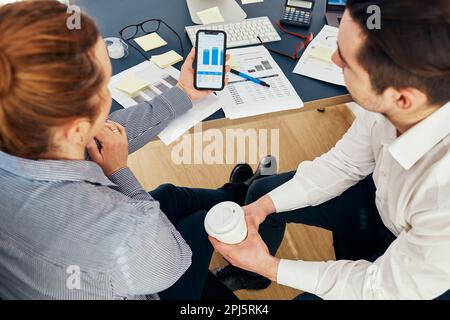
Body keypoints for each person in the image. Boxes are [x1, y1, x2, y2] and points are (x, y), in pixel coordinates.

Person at [0, 0, 265, 300]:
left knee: (170, 194)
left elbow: (108, 134)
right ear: (77, 129)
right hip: (154, 276)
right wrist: (119, 172)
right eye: (104, 86)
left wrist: (183, 95)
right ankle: (239, 223)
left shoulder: (21, 128)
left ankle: (237, 194)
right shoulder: (124, 233)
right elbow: (173, 259)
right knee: (202, 222)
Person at [211, 0, 450, 300]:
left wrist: (273, 266)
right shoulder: (402, 100)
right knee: (262, 194)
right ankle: (250, 274)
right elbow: (344, 164)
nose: (334, 58)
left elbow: (379, 287)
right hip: (382, 202)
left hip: (425, 274)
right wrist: (264, 208)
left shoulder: (444, 197)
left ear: (403, 99)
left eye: (347, 61)